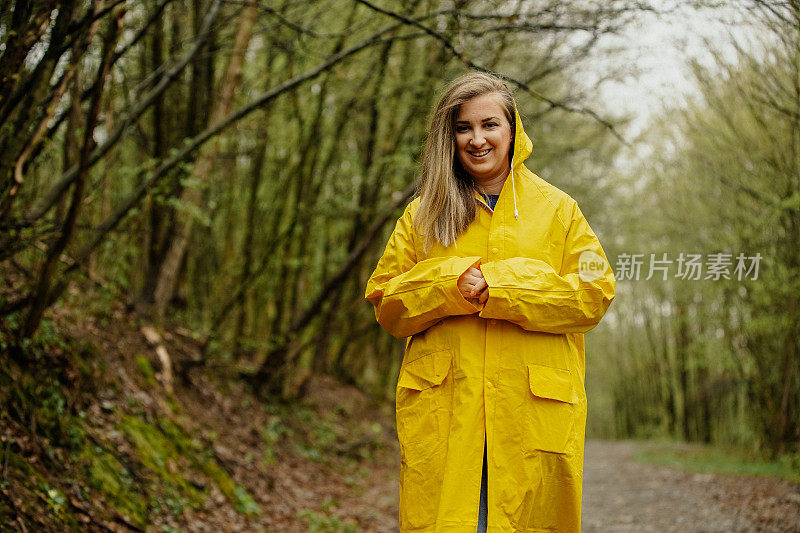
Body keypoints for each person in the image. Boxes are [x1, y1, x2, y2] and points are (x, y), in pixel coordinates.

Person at [364, 71, 616, 533]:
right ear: (450, 136)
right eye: (464, 127)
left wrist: (503, 287)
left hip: (531, 416)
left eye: (489, 125)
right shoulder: (424, 213)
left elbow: (595, 292)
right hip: (448, 413)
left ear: (512, 129)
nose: (477, 139)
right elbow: (385, 300)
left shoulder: (560, 210)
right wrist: (449, 284)